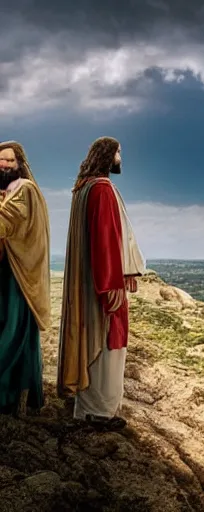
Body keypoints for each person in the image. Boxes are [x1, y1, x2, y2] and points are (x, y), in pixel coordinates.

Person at [57, 136, 145, 429]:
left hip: (87, 283)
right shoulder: (102, 189)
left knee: (92, 338)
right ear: (109, 155)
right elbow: (106, 240)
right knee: (107, 340)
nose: (121, 157)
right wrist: (111, 285)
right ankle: (100, 411)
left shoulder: (82, 188)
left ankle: (87, 407)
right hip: (103, 284)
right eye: (119, 151)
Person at [0, 140, 51, 417]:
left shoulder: (24, 190)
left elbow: (6, 223)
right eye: (0, 160)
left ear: (20, 163)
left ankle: (8, 397)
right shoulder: (7, 191)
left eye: (9, 160)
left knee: (12, 333)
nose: (4, 165)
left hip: (17, 276)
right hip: (5, 272)